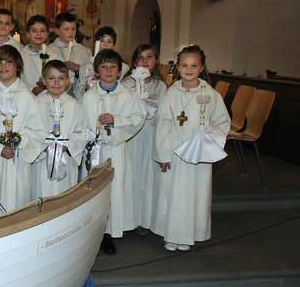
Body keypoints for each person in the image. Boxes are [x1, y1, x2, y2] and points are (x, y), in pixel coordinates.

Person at [152, 44, 230, 251]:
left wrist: (208, 139)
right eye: (184, 65)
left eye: (194, 65)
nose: (188, 69)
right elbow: (163, 125)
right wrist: (163, 154)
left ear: (202, 67)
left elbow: (223, 121)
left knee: (194, 195)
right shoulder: (171, 92)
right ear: (177, 67)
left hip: (198, 153)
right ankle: (172, 235)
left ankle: (188, 236)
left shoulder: (211, 95)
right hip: (175, 151)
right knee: (173, 194)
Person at [81, 49, 146, 255]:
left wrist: (116, 119)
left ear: (119, 71)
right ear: (97, 71)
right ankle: (94, 232)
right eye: (104, 66)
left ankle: (109, 233)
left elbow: (138, 118)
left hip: (116, 150)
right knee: (95, 193)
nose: (108, 70)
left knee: (115, 191)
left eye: (113, 67)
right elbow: (82, 122)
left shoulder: (128, 95)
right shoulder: (89, 96)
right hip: (96, 151)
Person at [0, 45, 47, 218]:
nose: (3, 66)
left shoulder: (27, 96)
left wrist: (18, 143)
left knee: (17, 202)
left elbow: (37, 129)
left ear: (18, 66)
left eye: (9, 62)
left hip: (17, 159)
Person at [121, 44, 167, 236]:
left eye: (149, 57)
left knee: (147, 178)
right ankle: (126, 219)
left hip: (150, 135)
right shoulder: (126, 84)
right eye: (140, 58)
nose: (145, 61)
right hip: (130, 137)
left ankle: (144, 220)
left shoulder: (160, 86)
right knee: (130, 177)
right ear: (134, 62)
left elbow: (164, 116)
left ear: (155, 61)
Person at [32, 60, 87, 198]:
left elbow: (82, 132)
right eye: (51, 78)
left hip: (66, 160)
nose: (56, 83)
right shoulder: (35, 104)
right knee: (40, 195)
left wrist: (67, 144)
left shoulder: (75, 106)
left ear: (68, 81)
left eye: (61, 78)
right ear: (43, 80)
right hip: (41, 161)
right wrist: (44, 145)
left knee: (65, 197)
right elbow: (30, 131)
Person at [47, 12, 92, 97]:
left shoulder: (84, 51)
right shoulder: (49, 50)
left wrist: (78, 69)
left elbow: (90, 74)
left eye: (73, 29)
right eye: (66, 29)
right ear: (57, 31)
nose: (71, 32)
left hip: (78, 95)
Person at [20, 14, 50, 95]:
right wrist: (31, 89)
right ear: (28, 34)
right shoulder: (20, 57)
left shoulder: (55, 56)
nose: (38, 34)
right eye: (34, 30)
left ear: (47, 34)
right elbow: (14, 81)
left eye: (42, 31)